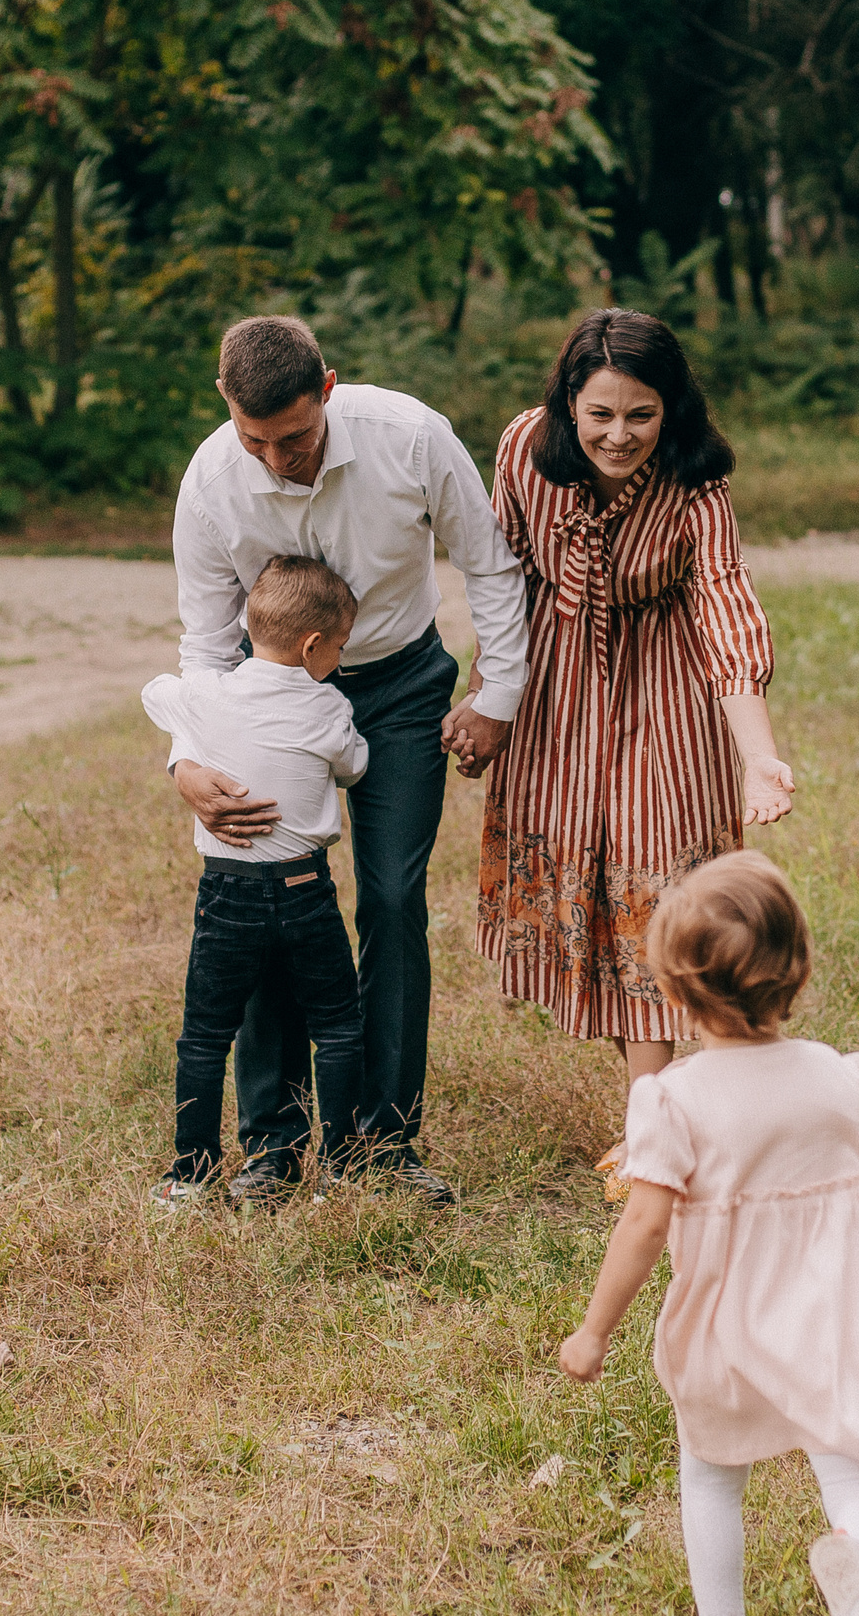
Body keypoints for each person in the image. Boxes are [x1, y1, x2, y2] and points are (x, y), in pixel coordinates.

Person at [169, 315, 530, 1206]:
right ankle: (273, 1145)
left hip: (400, 685)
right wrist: (189, 761)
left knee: (395, 899)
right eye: (257, 440)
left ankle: (382, 1142)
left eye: (294, 437)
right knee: (263, 894)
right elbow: (206, 645)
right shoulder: (213, 481)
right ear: (226, 407)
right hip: (268, 694)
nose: (276, 460)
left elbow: (488, 564)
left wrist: (496, 698)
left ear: (327, 388)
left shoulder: (411, 435)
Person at [557, 853, 859, 1616]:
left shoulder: (671, 1098)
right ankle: (858, 1567)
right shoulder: (844, 1076)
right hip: (823, 1325)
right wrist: (837, 1182)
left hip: (719, 1331)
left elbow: (645, 1219)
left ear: (671, 990)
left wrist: (593, 1331)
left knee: (709, 1474)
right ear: (796, 972)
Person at [476, 310, 794, 1175]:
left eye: (641, 415)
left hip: (665, 688)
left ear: (671, 408)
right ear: (568, 404)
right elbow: (498, 579)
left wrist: (756, 752)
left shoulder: (697, 484)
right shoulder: (520, 452)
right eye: (602, 414)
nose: (619, 436)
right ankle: (662, 1110)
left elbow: (726, 609)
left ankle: (655, 1126)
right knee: (598, 898)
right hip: (557, 692)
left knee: (661, 898)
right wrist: (491, 701)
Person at [139, 556, 367, 1209]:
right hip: (304, 892)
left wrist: (192, 742)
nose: (340, 660)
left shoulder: (209, 695)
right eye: (340, 647)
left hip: (227, 894)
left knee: (206, 1034)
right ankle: (341, 1168)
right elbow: (354, 766)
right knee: (339, 1027)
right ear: (312, 646)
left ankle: (191, 1172)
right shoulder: (328, 706)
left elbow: (155, 691)